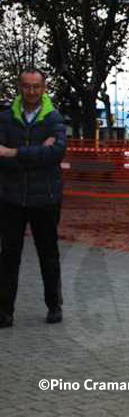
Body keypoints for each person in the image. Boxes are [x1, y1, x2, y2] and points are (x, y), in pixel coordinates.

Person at [0, 68, 66, 328]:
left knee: (48, 254)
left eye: (36, 86)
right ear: (20, 87)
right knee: (8, 256)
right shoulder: (5, 118)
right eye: (27, 86)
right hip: (10, 198)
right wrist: (39, 152)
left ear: (44, 88)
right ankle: (4, 312)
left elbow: (57, 154)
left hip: (45, 198)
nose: (31, 91)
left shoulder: (54, 118)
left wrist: (13, 153)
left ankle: (54, 305)